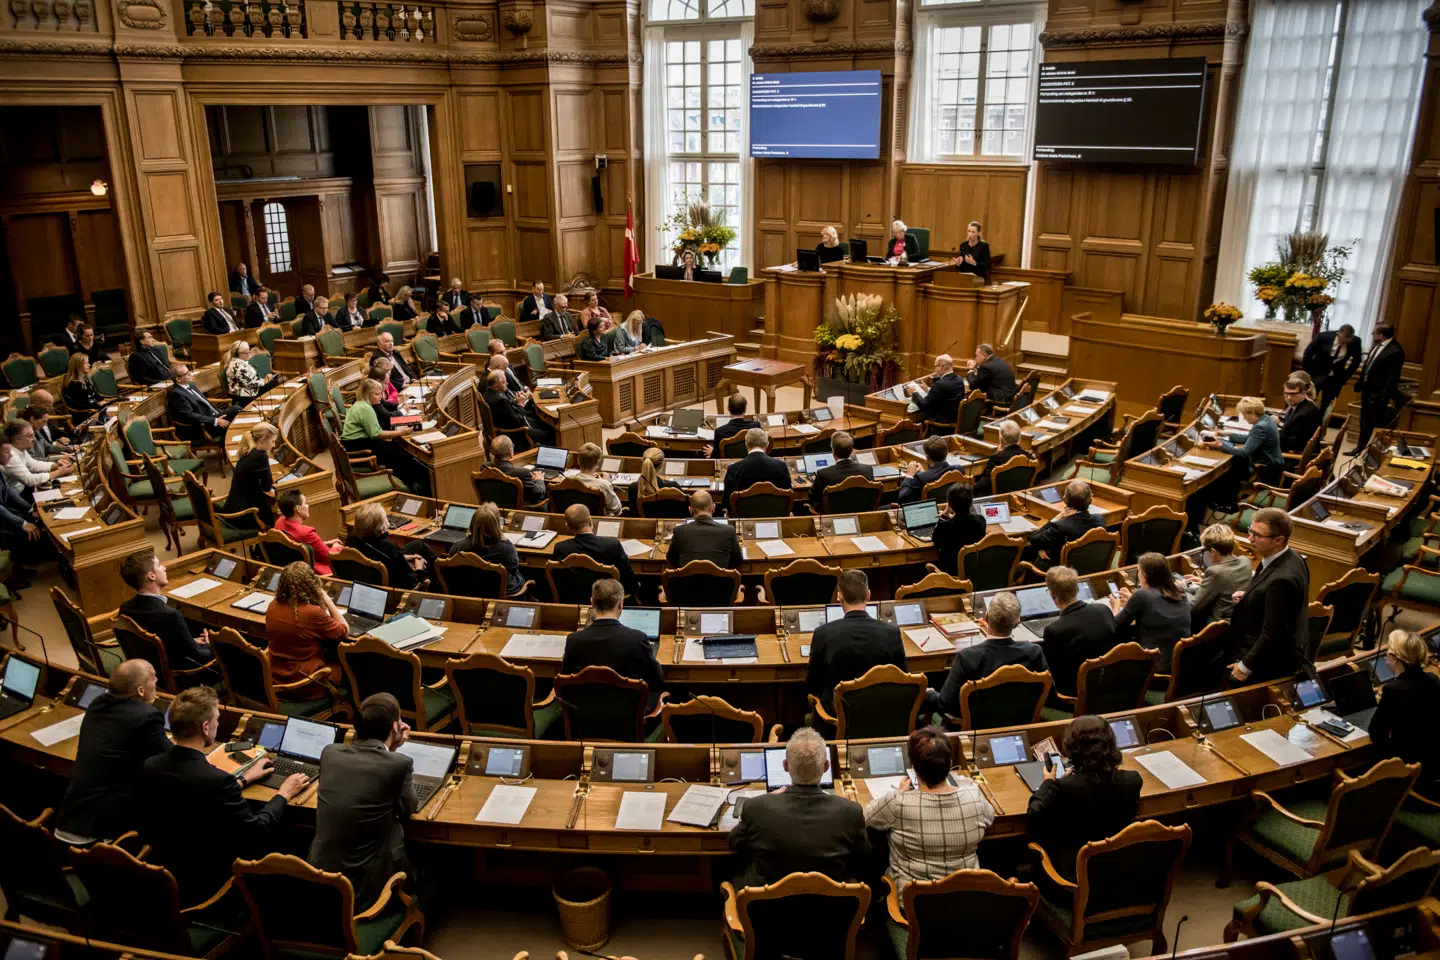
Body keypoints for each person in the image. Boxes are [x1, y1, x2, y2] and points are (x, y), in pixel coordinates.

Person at [137, 686, 309, 904]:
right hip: (211, 879)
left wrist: (244, 779)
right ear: (206, 726)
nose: (217, 724)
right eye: (217, 719)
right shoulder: (216, 780)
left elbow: (196, 798)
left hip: (166, 866)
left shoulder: (151, 765)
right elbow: (256, 832)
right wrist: (284, 794)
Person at [308, 692, 417, 907]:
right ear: (396, 728)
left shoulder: (330, 752)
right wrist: (393, 750)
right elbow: (409, 807)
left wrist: (390, 749)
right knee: (432, 879)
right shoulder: (400, 764)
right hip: (368, 885)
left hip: (320, 874)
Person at [729, 728, 869, 886]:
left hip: (766, 907)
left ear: (785, 766)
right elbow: (861, 857)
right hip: (832, 907)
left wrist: (768, 800)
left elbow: (735, 843)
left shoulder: (756, 807)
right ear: (826, 766)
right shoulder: (851, 811)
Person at [864, 726, 994, 889]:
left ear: (914, 769)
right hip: (965, 899)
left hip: (913, 903)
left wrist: (899, 792)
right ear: (950, 765)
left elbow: (867, 817)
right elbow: (990, 819)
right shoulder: (974, 796)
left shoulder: (898, 801)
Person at [55, 659, 170, 843]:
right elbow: (170, 758)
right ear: (140, 691)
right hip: (101, 825)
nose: (157, 680)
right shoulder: (146, 716)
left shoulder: (97, 703)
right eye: (153, 677)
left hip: (72, 811)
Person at [1027, 714, 1143, 880]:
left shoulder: (1064, 787)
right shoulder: (1133, 780)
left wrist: (1048, 783)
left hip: (1073, 871)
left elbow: (1034, 815)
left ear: (1072, 748)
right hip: (1119, 868)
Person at [806, 570, 907, 715]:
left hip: (838, 716)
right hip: (882, 714)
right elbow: (902, 678)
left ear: (839, 596)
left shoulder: (823, 634)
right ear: (868, 595)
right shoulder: (892, 632)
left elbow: (812, 684)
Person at [1227, 508, 1308, 683]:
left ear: (1278, 540)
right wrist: (1251, 596)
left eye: (1257, 535)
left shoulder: (1282, 580)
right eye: (1250, 531)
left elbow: (1272, 633)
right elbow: (1280, 607)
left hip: (1265, 665)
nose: (1250, 538)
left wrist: (1244, 667)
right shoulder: (1293, 557)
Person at [933, 592, 1047, 717]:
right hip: (1020, 723)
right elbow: (1046, 693)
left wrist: (930, 694)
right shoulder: (1034, 653)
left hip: (975, 729)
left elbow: (945, 704)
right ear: (1017, 622)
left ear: (986, 617)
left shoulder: (966, 657)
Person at [560, 578, 666, 711]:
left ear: (592, 603)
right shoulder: (637, 639)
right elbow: (657, 679)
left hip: (587, 717)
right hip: (628, 719)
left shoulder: (573, 640)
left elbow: (565, 681)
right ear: (620, 604)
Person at [118, 550, 218, 681]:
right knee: (240, 652)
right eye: (159, 565)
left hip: (152, 669)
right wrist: (212, 644)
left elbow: (163, 640)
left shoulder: (126, 608)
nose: (164, 568)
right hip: (183, 675)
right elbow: (198, 656)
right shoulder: (170, 615)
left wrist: (190, 642)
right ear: (151, 576)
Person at [1368, 630, 1440, 793]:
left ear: (1395, 658)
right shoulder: (1433, 679)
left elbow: (1376, 734)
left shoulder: (1394, 689)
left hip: (1407, 775)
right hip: (1433, 767)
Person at [265, 561, 348, 697]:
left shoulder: (272, 606)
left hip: (277, 677)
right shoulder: (312, 613)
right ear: (311, 584)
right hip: (307, 683)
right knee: (350, 667)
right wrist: (327, 599)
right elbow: (344, 631)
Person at [1041, 566, 1116, 698]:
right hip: (1107, 684)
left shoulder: (1054, 630)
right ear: (1077, 589)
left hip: (1073, 692)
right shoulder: (1103, 610)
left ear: (1053, 596)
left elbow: (1052, 671)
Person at [343, 378, 428, 494]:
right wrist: (400, 432)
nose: (381, 397)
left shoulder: (361, 404)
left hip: (359, 443)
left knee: (399, 450)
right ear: (367, 394)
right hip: (360, 448)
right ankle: (419, 485)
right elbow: (376, 434)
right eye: (377, 394)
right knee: (403, 455)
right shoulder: (365, 408)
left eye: (381, 393)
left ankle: (412, 483)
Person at [1109, 552, 1190, 670]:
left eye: (1139, 571)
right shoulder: (1180, 592)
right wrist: (1132, 601)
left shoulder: (1142, 595)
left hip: (1154, 669)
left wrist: (1115, 606)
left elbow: (1114, 626)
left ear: (1145, 574)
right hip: (1179, 665)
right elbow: (1155, 605)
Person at [554, 504, 639, 598]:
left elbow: (557, 580)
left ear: (568, 527)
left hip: (573, 599)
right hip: (607, 603)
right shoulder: (613, 545)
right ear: (590, 521)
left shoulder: (560, 549)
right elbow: (629, 579)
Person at [1199, 396, 1283, 487]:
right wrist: (1228, 434)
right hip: (1272, 462)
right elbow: (1251, 438)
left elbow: (1244, 452)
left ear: (1253, 413)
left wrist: (1220, 445)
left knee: (1226, 469)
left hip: (1265, 467)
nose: (1243, 418)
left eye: (1244, 414)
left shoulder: (1260, 426)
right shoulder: (1267, 419)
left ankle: (1227, 497)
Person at [346, 502, 433, 590]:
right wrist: (419, 567)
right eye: (385, 518)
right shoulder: (388, 547)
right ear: (382, 528)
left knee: (418, 545)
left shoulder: (352, 539)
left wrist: (404, 557)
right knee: (425, 554)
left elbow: (378, 556)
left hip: (367, 577)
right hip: (393, 587)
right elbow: (410, 582)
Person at [1350, 323, 1407, 453]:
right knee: (1364, 421)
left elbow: (1392, 378)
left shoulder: (1395, 351)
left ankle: (1372, 451)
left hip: (1378, 395)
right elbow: (1369, 366)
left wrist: (1381, 396)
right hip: (1367, 390)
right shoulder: (1378, 346)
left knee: (1376, 424)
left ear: (1381, 336)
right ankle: (1360, 446)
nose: (1372, 334)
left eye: (1374, 333)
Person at [1185, 523, 1252, 630]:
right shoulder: (1245, 561)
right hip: (1237, 620)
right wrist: (1204, 582)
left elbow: (1192, 608)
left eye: (1204, 550)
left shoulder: (1215, 572)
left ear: (1213, 551)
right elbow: (1228, 583)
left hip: (1215, 627)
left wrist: (1179, 590)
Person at [1025, 480, 1103, 569]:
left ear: (1065, 500)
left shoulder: (1060, 526)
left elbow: (1034, 539)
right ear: (1090, 500)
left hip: (1060, 572)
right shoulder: (1100, 520)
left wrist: (1056, 519)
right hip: (1089, 568)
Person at [450, 502, 524, 596]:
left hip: (465, 592)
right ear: (496, 525)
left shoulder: (458, 546)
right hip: (497, 594)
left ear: (473, 523)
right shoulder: (507, 549)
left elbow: (450, 570)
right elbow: (513, 567)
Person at [220, 422, 278, 530]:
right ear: (263, 439)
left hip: (233, 508)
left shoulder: (248, 451)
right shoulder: (260, 456)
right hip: (243, 515)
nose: (274, 445)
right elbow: (267, 488)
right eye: (272, 441)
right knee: (279, 519)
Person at [274, 490, 344, 576]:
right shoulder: (306, 533)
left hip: (290, 569)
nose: (308, 506)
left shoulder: (279, 522)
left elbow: (298, 544)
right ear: (298, 509)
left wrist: (323, 543)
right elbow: (328, 558)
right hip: (310, 572)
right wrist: (335, 547)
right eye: (305, 503)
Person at [722, 428, 792, 512]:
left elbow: (726, 501)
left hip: (744, 518)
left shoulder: (734, 468)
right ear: (767, 444)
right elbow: (788, 495)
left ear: (746, 444)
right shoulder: (781, 466)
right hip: (775, 517)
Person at [667, 490, 743, 569]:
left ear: (690, 510)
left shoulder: (679, 531)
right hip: (719, 581)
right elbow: (737, 560)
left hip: (687, 581)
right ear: (713, 508)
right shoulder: (729, 531)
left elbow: (672, 560)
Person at [168, 363, 241, 439]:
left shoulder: (191, 385)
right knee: (235, 410)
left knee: (237, 411)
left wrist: (218, 414)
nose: (190, 374)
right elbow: (189, 415)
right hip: (202, 427)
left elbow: (204, 402)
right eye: (186, 373)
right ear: (178, 379)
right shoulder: (177, 394)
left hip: (212, 417)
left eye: (189, 371)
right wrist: (215, 421)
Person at [1303, 323, 1362, 414]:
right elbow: (1308, 354)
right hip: (1316, 374)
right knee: (1309, 401)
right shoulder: (1322, 337)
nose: (1343, 344)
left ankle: (1321, 426)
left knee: (1327, 406)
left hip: (1335, 378)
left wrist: (1345, 376)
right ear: (1338, 334)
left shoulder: (1356, 342)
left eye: (1347, 342)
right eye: (1342, 341)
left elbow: (1356, 361)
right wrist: (1308, 373)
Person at [809, 430, 873, 510]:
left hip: (833, 515)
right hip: (862, 513)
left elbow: (813, 496)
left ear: (833, 451)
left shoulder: (823, 474)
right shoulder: (868, 469)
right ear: (852, 450)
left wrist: (814, 483)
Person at [2, 421, 75, 491]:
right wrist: (58, 472)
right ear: (17, 439)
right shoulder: (11, 455)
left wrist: (55, 465)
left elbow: (33, 465)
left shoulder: (20, 449)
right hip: (18, 494)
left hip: (25, 490)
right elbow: (29, 480)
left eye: (33, 435)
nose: (34, 439)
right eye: (30, 436)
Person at [931, 483, 986, 575]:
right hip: (974, 572)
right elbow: (965, 522)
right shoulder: (980, 521)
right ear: (971, 503)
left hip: (951, 574)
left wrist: (944, 515)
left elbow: (935, 539)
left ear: (949, 505)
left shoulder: (945, 527)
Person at [906, 354, 968, 425]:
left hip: (939, 425)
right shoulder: (959, 379)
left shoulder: (940, 384)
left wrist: (914, 392)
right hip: (953, 420)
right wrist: (928, 390)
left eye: (935, 366)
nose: (934, 368)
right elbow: (945, 394)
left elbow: (924, 406)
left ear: (941, 367)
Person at [974, 420, 1027, 497]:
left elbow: (983, 486)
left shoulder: (996, 458)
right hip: (1021, 498)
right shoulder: (1029, 457)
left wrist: (971, 486)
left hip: (998, 499)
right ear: (1019, 437)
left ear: (1001, 438)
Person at [488, 435, 547, 504]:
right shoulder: (521, 473)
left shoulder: (485, 468)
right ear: (510, 451)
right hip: (520, 510)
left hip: (492, 508)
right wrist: (539, 480)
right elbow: (538, 493)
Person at [898, 435, 954, 505]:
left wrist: (909, 475)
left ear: (927, 457)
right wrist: (924, 473)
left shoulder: (919, 478)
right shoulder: (958, 470)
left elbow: (902, 499)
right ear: (947, 452)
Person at [1279, 374, 1323, 454]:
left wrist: (1271, 435)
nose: (1288, 397)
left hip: (1295, 455)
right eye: (1286, 394)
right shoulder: (1298, 405)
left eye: (1293, 394)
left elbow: (1297, 443)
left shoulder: (1305, 413)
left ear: (1303, 394)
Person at [224, 339, 277, 406]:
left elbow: (251, 379)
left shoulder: (241, 362)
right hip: (244, 395)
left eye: (249, 351)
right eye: (246, 353)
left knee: (275, 380)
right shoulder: (236, 366)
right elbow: (249, 383)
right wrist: (264, 381)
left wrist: (264, 380)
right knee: (276, 382)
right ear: (238, 354)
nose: (249, 354)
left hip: (250, 390)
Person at [631, 446, 681, 515]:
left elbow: (633, 514)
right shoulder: (673, 486)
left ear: (643, 462)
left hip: (642, 525)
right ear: (661, 465)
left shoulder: (633, 488)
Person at [62, 352, 104, 416]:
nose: (89, 365)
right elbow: (82, 405)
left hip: (96, 410)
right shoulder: (74, 385)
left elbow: (94, 394)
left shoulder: (85, 379)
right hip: (86, 415)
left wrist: (102, 400)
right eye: (86, 363)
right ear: (78, 366)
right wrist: (98, 404)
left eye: (88, 362)